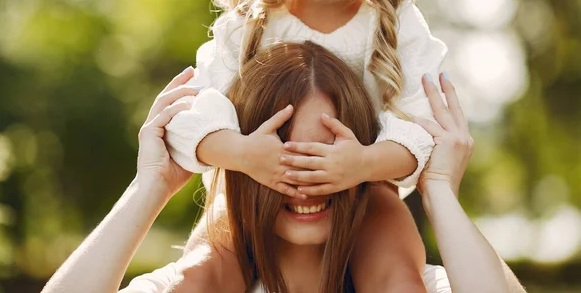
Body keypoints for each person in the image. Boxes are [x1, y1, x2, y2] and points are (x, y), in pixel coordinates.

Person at [41, 42, 526, 293]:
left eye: (326, 152)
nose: (301, 176)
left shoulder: (422, 284)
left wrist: (437, 188)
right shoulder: (193, 283)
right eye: (279, 151)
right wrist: (151, 186)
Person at [165, 0, 447, 291]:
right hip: (254, 192)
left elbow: (427, 128)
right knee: (199, 274)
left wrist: (363, 163)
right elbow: (188, 121)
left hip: (367, 194)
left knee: (397, 274)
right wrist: (245, 156)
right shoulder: (249, 21)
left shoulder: (394, 22)